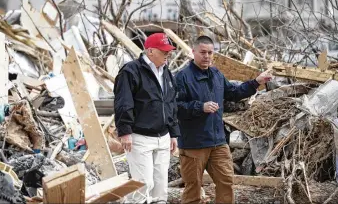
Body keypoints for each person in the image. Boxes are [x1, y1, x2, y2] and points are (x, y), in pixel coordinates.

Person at [175, 35, 272, 204]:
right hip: (193, 144)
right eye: (203, 52)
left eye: (210, 53)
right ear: (193, 52)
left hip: (218, 142)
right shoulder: (182, 77)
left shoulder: (216, 74)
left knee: (226, 181)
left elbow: (234, 93)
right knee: (193, 187)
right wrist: (200, 107)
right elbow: (174, 107)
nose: (207, 56)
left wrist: (256, 82)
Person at [113, 33, 180, 203]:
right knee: (143, 185)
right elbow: (123, 102)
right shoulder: (130, 71)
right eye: (164, 51)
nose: (168, 54)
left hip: (163, 137)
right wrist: (125, 131)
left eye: (169, 51)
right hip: (140, 137)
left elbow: (170, 103)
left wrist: (173, 133)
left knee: (160, 188)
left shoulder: (166, 72)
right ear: (150, 51)